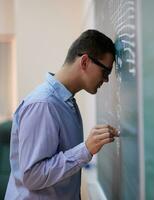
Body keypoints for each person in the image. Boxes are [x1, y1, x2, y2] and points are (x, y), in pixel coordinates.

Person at [5, 29, 119, 200]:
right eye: (105, 72)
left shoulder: (66, 103)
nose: (106, 80)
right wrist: (85, 149)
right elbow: (32, 176)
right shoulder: (43, 105)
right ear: (85, 62)